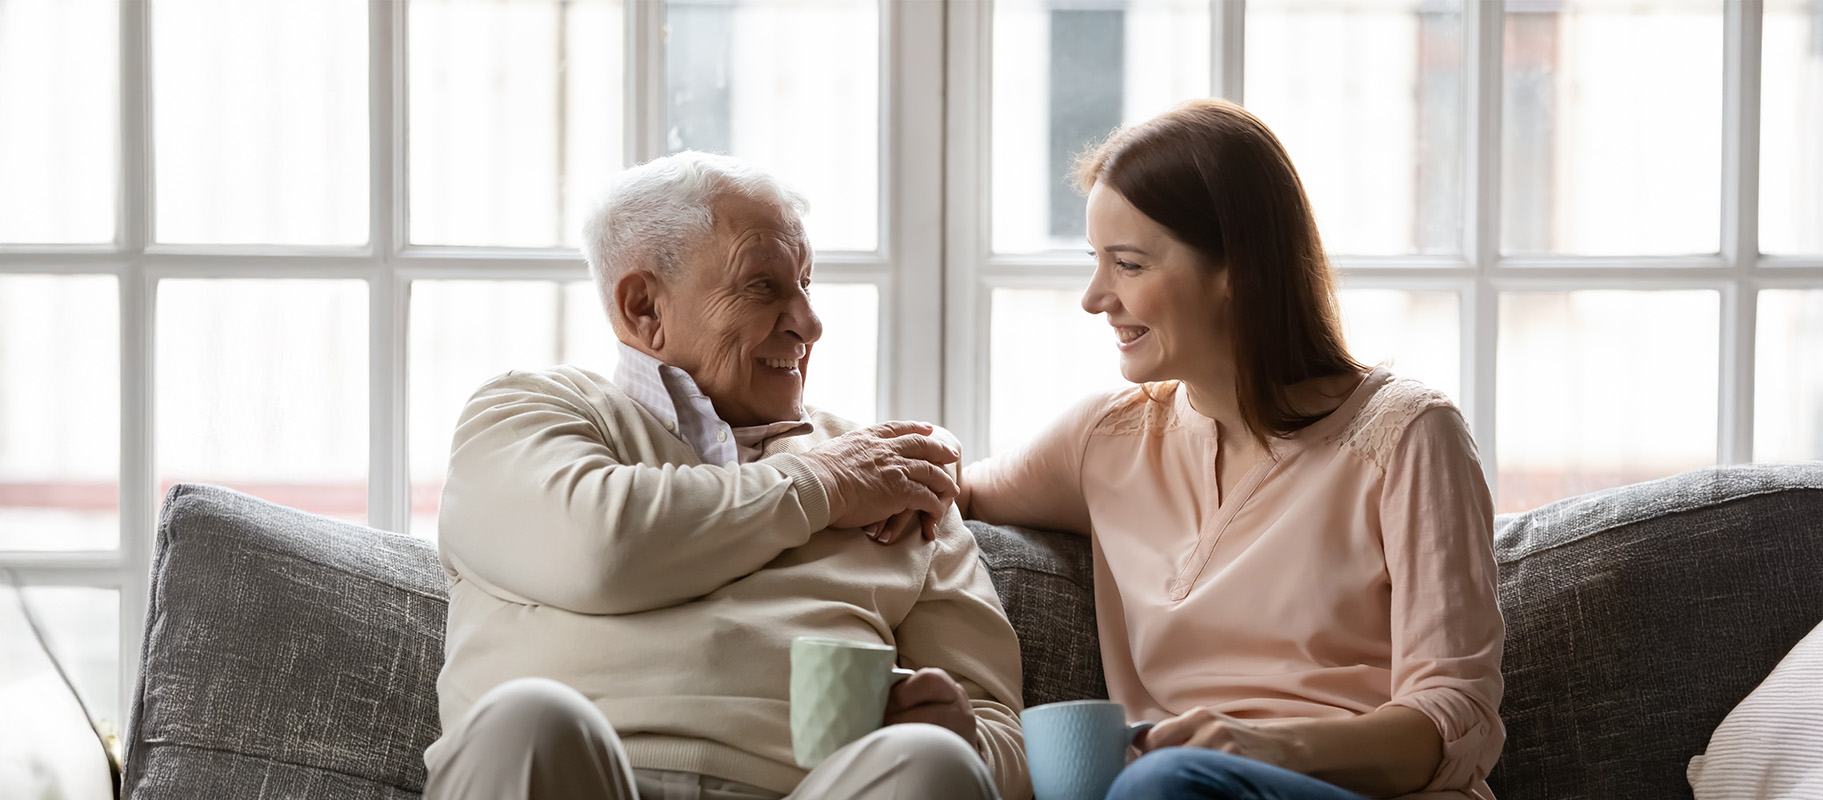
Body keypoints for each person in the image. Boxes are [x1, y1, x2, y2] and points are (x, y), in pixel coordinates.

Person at [425, 151, 1030, 800]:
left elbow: (1006, 741)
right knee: (528, 724)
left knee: (929, 761)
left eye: (806, 283)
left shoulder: (891, 475)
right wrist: (824, 485)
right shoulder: (524, 414)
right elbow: (605, 550)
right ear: (644, 309)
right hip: (573, 778)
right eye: (764, 287)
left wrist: (965, 738)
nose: (809, 323)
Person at [962, 99, 1504, 800]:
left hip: (1352, 791)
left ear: (1237, 271)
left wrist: (1260, 746)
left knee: (1163, 783)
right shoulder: (1107, 440)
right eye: (1095, 262)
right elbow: (944, 481)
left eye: (1127, 265)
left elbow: (1456, 722)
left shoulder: (1408, 436)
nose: (1095, 297)